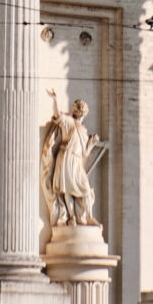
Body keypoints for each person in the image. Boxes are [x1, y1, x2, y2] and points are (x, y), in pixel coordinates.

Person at [40, 94, 98, 229]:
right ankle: (71, 217)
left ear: (85, 112)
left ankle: (89, 216)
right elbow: (57, 115)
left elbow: (85, 153)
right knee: (66, 190)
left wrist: (92, 143)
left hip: (77, 161)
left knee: (85, 189)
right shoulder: (69, 122)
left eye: (82, 109)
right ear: (75, 110)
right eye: (78, 108)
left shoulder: (83, 130)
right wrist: (55, 100)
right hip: (66, 157)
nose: (80, 111)